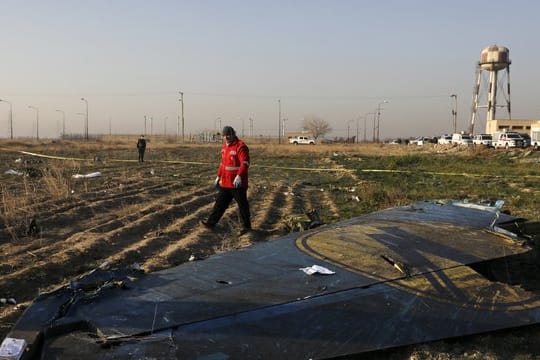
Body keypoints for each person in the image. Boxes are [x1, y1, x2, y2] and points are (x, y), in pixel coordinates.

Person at [201, 126, 252, 235]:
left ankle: (246, 227)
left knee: (242, 205)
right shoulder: (224, 148)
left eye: (228, 135)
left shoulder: (240, 146)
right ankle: (211, 223)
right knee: (219, 204)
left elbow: (245, 163)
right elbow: (222, 164)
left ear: (233, 134)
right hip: (226, 182)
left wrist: (239, 176)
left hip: (237, 184)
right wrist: (218, 176)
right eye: (224, 135)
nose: (226, 137)